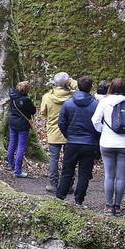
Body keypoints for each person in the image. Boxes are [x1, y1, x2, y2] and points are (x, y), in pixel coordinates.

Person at [90, 77, 125, 215]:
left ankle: (108, 206)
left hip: (107, 143)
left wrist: (104, 131)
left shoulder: (104, 102)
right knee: (121, 175)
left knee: (109, 175)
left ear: (111, 89)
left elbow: (95, 120)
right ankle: (118, 206)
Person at [55, 76, 100, 204]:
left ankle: (60, 197)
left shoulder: (68, 103)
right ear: (90, 87)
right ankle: (79, 200)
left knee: (67, 171)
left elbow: (61, 123)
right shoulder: (96, 105)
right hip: (89, 144)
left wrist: (69, 135)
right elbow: (99, 125)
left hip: (72, 142)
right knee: (84, 173)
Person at [39, 72, 73, 191]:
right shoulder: (73, 97)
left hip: (53, 131)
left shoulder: (47, 97)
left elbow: (43, 113)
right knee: (69, 159)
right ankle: (68, 185)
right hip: (69, 133)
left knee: (54, 159)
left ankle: (53, 183)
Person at [7, 81, 37, 178]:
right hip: (23, 124)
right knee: (21, 146)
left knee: (12, 143)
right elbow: (33, 110)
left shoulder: (12, 95)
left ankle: (11, 164)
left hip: (12, 122)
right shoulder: (25, 100)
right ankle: (17, 170)